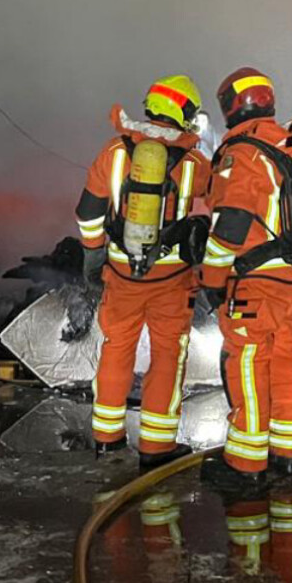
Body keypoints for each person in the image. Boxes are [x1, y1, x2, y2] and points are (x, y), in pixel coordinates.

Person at [73, 75, 212, 467]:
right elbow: (221, 200)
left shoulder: (114, 152)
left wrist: (93, 257)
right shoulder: (194, 163)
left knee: (116, 350)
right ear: (185, 113)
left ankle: (107, 437)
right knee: (168, 355)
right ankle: (157, 446)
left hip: (121, 274)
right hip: (173, 280)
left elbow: (88, 214)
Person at [198, 67, 292, 487]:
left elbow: (231, 222)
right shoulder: (291, 145)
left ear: (232, 105)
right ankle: (286, 456)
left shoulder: (243, 154)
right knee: (285, 365)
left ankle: (246, 467)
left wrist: (212, 279)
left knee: (248, 367)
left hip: (254, 282)